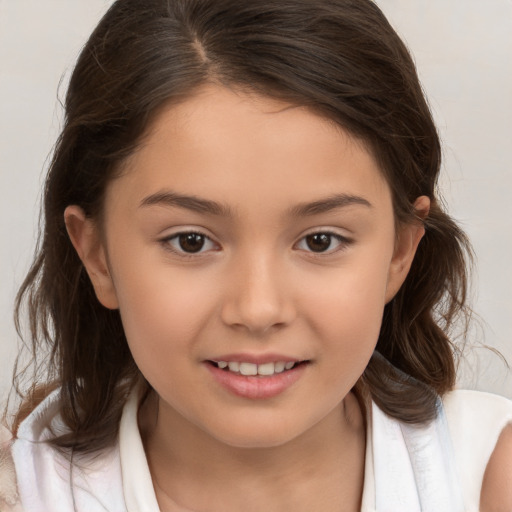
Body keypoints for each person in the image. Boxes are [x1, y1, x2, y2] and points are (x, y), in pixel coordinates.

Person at [0, 0, 511, 510]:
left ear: (399, 252)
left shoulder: (488, 476)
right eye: (191, 241)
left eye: (320, 240)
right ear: (98, 256)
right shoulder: (21, 493)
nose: (258, 309)